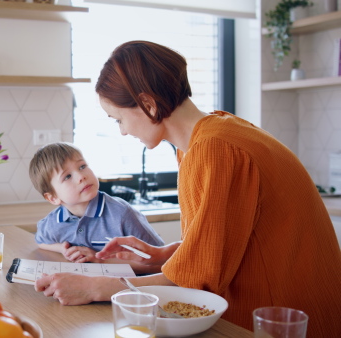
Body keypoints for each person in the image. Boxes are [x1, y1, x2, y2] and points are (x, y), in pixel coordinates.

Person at [34, 41, 341, 336]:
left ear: (147, 104)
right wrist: (164, 255)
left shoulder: (216, 149)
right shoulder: (204, 139)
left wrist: (94, 287)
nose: (124, 131)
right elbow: (231, 241)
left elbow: (198, 283)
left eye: (119, 119)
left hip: (282, 322)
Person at [29, 142, 164, 269]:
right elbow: (41, 241)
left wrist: (101, 259)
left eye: (82, 166)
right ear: (53, 198)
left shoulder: (122, 214)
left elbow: (160, 260)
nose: (81, 176)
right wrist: (63, 249)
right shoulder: (53, 222)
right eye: (68, 176)